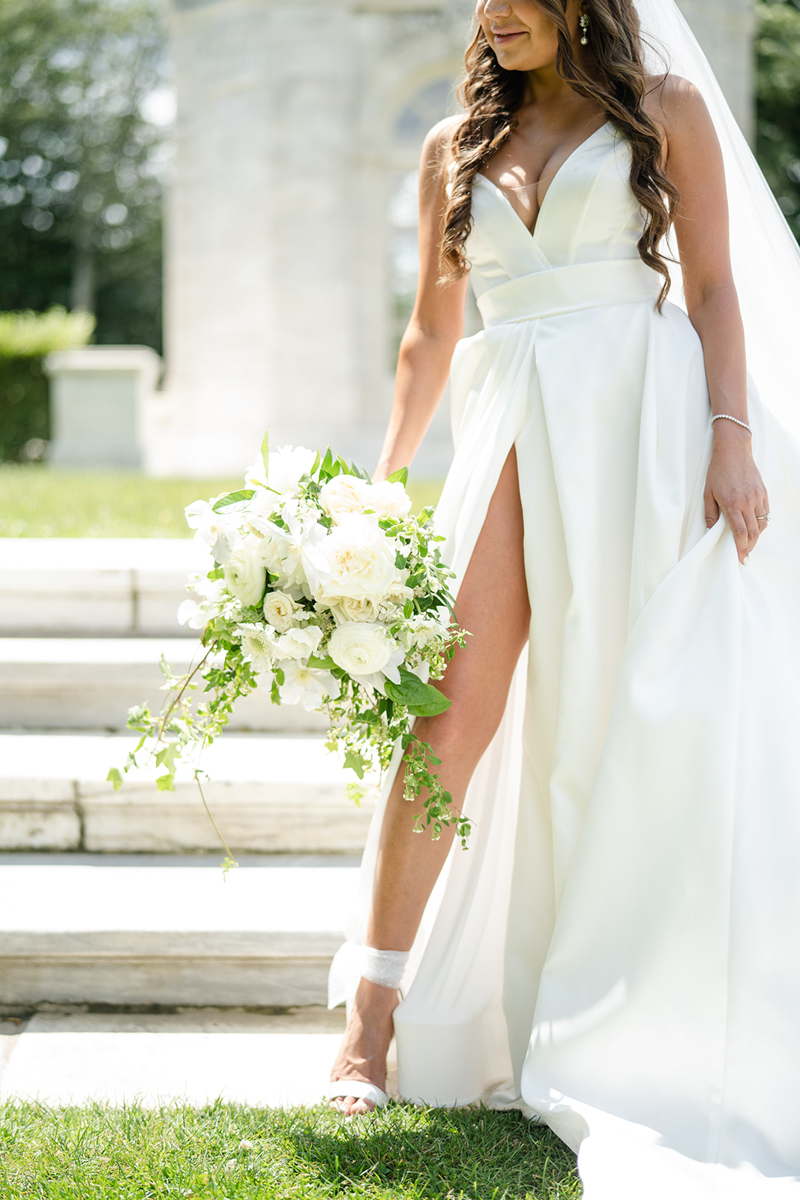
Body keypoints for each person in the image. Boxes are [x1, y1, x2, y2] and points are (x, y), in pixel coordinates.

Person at [327, 1, 800, 1194]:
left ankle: (622, 1008)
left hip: (638, 426)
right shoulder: (453, 144)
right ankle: (368, 1026)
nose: (497, 14)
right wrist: (376, 493)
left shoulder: (664, 110)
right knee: (444, 721)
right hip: (504, 422)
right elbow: (429, 336)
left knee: (622, 719)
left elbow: (712, 294)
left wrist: (729, 439)